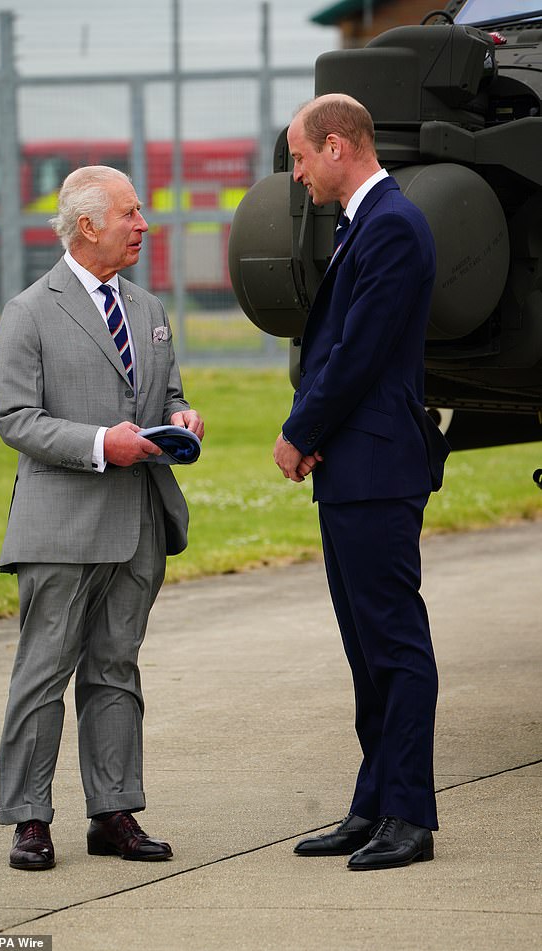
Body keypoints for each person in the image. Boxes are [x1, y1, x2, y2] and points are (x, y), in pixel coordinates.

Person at [0, 165, 204, 871]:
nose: (144, 224)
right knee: (42, 672)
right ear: (88, 226)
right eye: (131, 213)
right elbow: (14, 418)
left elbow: (167, 391)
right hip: (61, 524)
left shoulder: (147, 307)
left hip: (139, 522)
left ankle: (113, 811)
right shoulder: (29, 311)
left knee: (116, 670)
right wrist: (96, 444)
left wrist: (179, 415)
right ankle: (29, 819)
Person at [273, 94, 449, 871]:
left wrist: (299, 431)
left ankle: (409, 815)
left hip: (375, 466)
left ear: (338, 147)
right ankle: (374, 802)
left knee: (395, 644)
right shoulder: (365, 224)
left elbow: (357, 352)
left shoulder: (393, 226)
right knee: (365, 647)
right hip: (355, 465)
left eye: (302, 157)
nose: (297, 173)